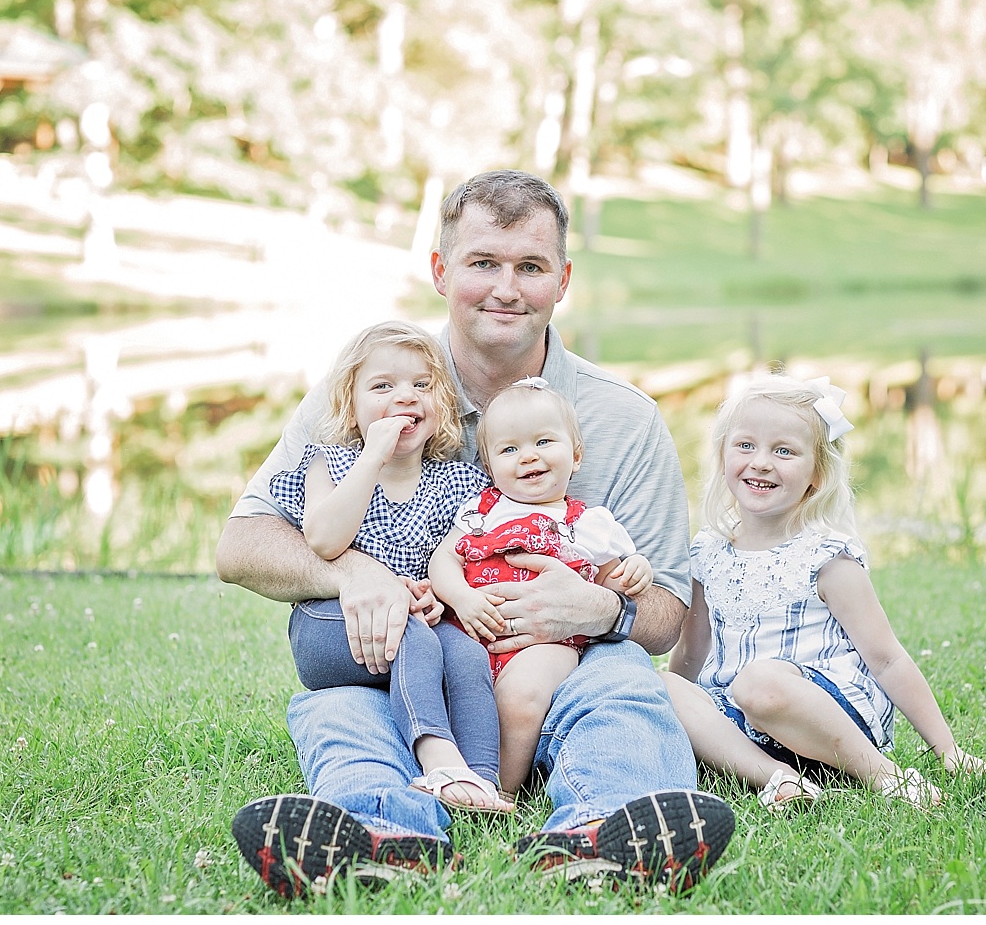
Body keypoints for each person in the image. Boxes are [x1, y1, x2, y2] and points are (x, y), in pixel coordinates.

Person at [219, 169, 733, 898]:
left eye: (531, 266)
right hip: (403, 666)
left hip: (555, 673)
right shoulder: (369, 385)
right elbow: (238, 544)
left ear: (563, 280)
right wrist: (352, 573)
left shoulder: (624, 419)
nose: (506, 288)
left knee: (622, 680)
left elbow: (665, 617)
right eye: (483, 263)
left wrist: (605, 608)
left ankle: (608, 826)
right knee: (340, 701)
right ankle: (383, 832)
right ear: (439, 270)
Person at [663, 375, 986, 815]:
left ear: (817, 474)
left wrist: (947, 749)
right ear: (723, 454)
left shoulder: (825, 556)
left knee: (759, 682)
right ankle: (779, 779)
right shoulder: (708, 550)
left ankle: (882, 774)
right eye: (745, 446)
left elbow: (887, 658)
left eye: (784, 451)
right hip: (743, 726)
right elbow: (691, 651)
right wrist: (673, 715)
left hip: (829, 719)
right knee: (660, 685)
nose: (760, 462)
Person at [265, 320, 512, 813]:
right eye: (383, 386)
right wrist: (373, 456)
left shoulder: (458, 483)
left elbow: (461, 560)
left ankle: (482, 781)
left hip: (421, 617)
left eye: (422, 385)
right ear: (350, 406)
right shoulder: (328, 465)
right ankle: (436, 757)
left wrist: (434, 594)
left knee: (464, 656)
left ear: (439, 404)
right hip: (330, 625)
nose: (406, 397)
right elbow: (324, 538)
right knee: (411, 635)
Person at [428, 376, 654, 793]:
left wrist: (635, 568)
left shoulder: (590, 524)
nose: (528, 457)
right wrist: (461, 596)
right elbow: (443, 559)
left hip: (547, 644)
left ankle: (500, 789)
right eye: (509, 449)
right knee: (447, 687)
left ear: (577, 455)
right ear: (490, 467)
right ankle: (454, 774)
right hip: (473, 631)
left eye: (544, 442)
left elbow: (607, 585)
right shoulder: (480, 511)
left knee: (522, 698)